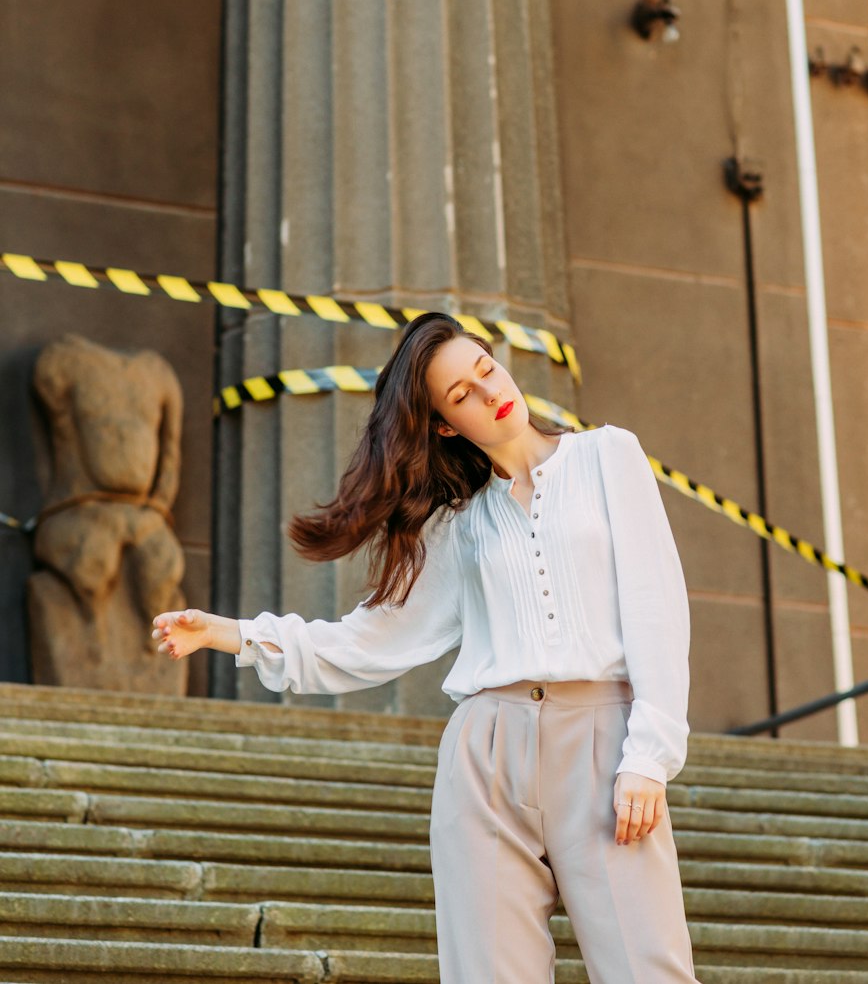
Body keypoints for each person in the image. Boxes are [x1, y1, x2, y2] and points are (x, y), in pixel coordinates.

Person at [152, 311, 701, 983]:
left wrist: (649, 754)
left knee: (649, 972)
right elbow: (369, 641)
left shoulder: (608, 457)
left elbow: (657, 607)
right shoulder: (457, 524)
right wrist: (229, 632)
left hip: (602, 742)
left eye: (486, 370)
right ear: (444, 425)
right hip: (488, 756)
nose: (490, 390)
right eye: (462, 395)